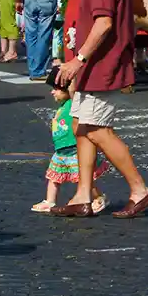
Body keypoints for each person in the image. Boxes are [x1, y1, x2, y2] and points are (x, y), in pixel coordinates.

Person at [52, 0, 148, 219]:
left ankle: (140, 190)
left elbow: (104, 23)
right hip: (97, 66)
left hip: (101, 65)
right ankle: (83, 195)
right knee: (81, 127)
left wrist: (78, 59)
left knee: (97, 130)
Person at [31, 84, 108, 214]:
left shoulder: (72, 104)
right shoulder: (62, 106)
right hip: (60, 150)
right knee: (53, 177)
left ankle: (98, 197)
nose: (52, 92)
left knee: (83, 178)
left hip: (73, 149)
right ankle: (49, 201)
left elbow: (74, 90)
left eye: (56, 89)